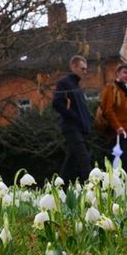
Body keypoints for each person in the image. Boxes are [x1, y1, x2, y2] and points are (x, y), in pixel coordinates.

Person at [52, 55, 93, 183]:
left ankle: (58, 189)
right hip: (70, 127)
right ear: (73, 67)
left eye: (86, 69)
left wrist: (86, 124)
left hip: (78, 128)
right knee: (83, 158)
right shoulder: (64, 83)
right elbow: (57, 103)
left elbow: (82, 109)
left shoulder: (77, 86)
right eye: (82, 68)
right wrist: (73, 117)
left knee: (71, 160)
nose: (85, 71)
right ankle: (92, 188)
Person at [101, 63, 127, 172]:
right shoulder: (111, 88)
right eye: (124, 72)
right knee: (120, 163)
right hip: (119, 132)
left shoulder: (125, 90)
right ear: (117, 73)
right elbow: (108, 110)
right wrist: (118, 127)